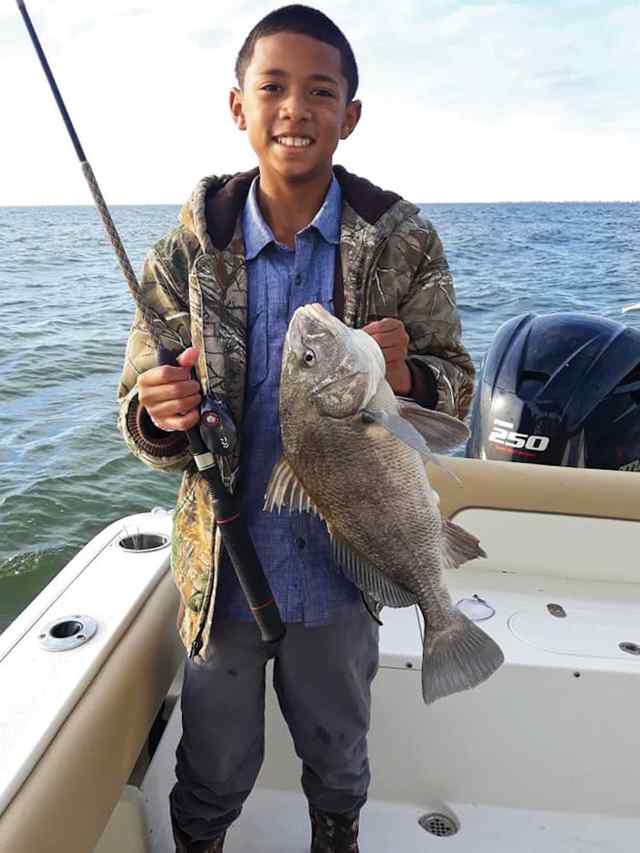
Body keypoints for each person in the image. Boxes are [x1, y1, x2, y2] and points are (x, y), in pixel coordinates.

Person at [117, 5, 474, 852]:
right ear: (237, 106)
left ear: (350, 115)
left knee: (338, 752)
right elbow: (138, 413)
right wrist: (159, 411)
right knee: (212, 761)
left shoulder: (402, 242)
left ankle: (336, 832)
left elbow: (456, 395)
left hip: (346, 573)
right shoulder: (183, 255)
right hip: (226, 571)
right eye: (272, 87)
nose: (295, 109)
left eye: (321, 91)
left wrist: (406, 378)